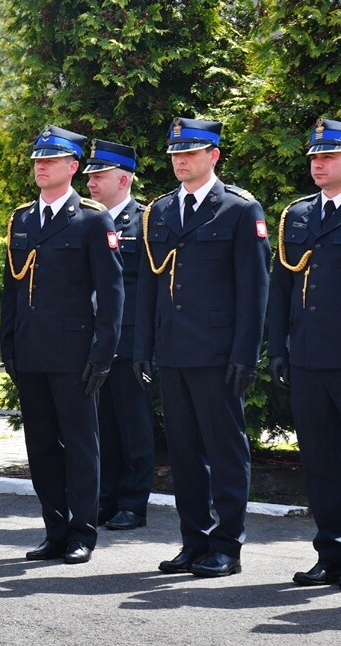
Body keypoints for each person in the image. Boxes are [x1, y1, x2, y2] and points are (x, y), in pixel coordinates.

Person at [134, 117, 270, 578]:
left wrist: (245, 354)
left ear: (214, 156)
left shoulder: (238, 210)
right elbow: (150, 287)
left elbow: (254, 291)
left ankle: (227, 545)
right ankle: (193, 540)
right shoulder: (161, 210)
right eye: (175, 153)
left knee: (225, 450)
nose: (180, 160)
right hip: (172, 351)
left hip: (217, 353)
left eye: (190, 152)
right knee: (186, 453)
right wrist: (144, 346)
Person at [0, 126, 123, 565]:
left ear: (72, 167)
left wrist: (103, 353)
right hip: (31, 352)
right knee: (41, 446)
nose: (41, 166)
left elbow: (112, 295)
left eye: (50, 160)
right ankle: (54, 528)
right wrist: (8, 344)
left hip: (74, 355)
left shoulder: (92, 219)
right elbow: (12, 288)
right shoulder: (22, 219)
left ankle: (81, 531)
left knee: (80, 444)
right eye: (37, 160)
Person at [268, 118, 341, 586]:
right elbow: (281, 290)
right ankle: (330, 551)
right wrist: (278, 348)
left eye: (328, 156)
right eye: (314, 157)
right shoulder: (297, 216)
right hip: (309, 359)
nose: (318, 164)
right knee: (319, 461)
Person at [83, 140, 155, 531]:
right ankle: (105, 499)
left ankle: (133, 503)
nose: (91, 183)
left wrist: (146, 343)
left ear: (123, 179)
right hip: (91, 339)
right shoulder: (85, 220)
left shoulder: (143, 224)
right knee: (102, 426)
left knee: (134, 426)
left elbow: (148, 290)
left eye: (99, 176)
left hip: (128, 341)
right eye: (90, 176)